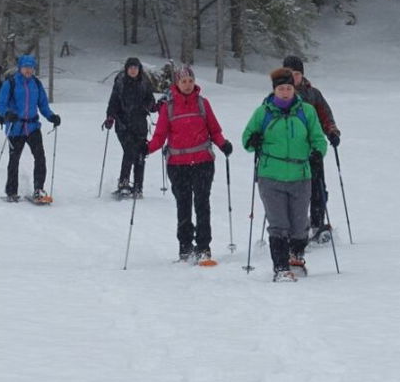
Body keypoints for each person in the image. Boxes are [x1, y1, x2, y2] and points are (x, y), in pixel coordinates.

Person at [242, 68, 329, 281]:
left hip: (301, 174)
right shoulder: (263, 112)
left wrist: (318, 153)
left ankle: (296, 257)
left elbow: (318, 138)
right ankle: (280, 268)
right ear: (274, 90)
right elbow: (246, 139)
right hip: (271, 175)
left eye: (289, 88)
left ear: (294, 89)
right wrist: (253, 140)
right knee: (278, 224)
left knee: (299, 225)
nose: (285, 92)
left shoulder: (306, 111)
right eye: (281, 88)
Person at [144, 64, 232, 264]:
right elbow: (160, 136)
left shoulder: (203, 104)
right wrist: (147, 149)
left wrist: (223, 144)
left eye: (190, 81)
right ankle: (185, 247)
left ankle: (203, 248)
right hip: (178, 164)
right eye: (183, 81)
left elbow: (214, 130)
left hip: (203, 162)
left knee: (202, 204)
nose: (187, 85)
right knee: (183, 206)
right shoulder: (168, 107)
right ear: (177, 83)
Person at [283, 54, 343, 242]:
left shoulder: (313, 94)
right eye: (290, 73)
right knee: (291, 191)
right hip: (288, 154)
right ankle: (293, 228)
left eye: (297, 73)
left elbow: (326, 115)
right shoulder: (281, 94)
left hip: (313, 151)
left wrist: (332, 131)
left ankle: (317, 223)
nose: (294, 77)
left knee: (317, 188)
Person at [0, 53, 61, 203]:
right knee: (14, 159)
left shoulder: (36, 84)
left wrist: (51, 116)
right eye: (25, 68)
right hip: (15, 127)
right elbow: (0, 104)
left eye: (31, 68)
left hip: (32, 126)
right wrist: (7, 114)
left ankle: (38, 189)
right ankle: (11, 191)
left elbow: (43, 105)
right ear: (20, 68)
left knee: (40, 157)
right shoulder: (10, 83)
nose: (28, 71)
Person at [104, 56, 159, 196]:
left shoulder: (144, 82)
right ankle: (123, 182)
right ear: (127, 69)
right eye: (131, 68)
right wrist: (110, 117)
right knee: (129, 150)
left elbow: (151, 101)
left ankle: (138, 186)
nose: (133, 70)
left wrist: (153, 107)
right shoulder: (121, 82)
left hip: (140, 124)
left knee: (140, 154)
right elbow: (113, 101)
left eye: (136, 68)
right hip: (123, 124)